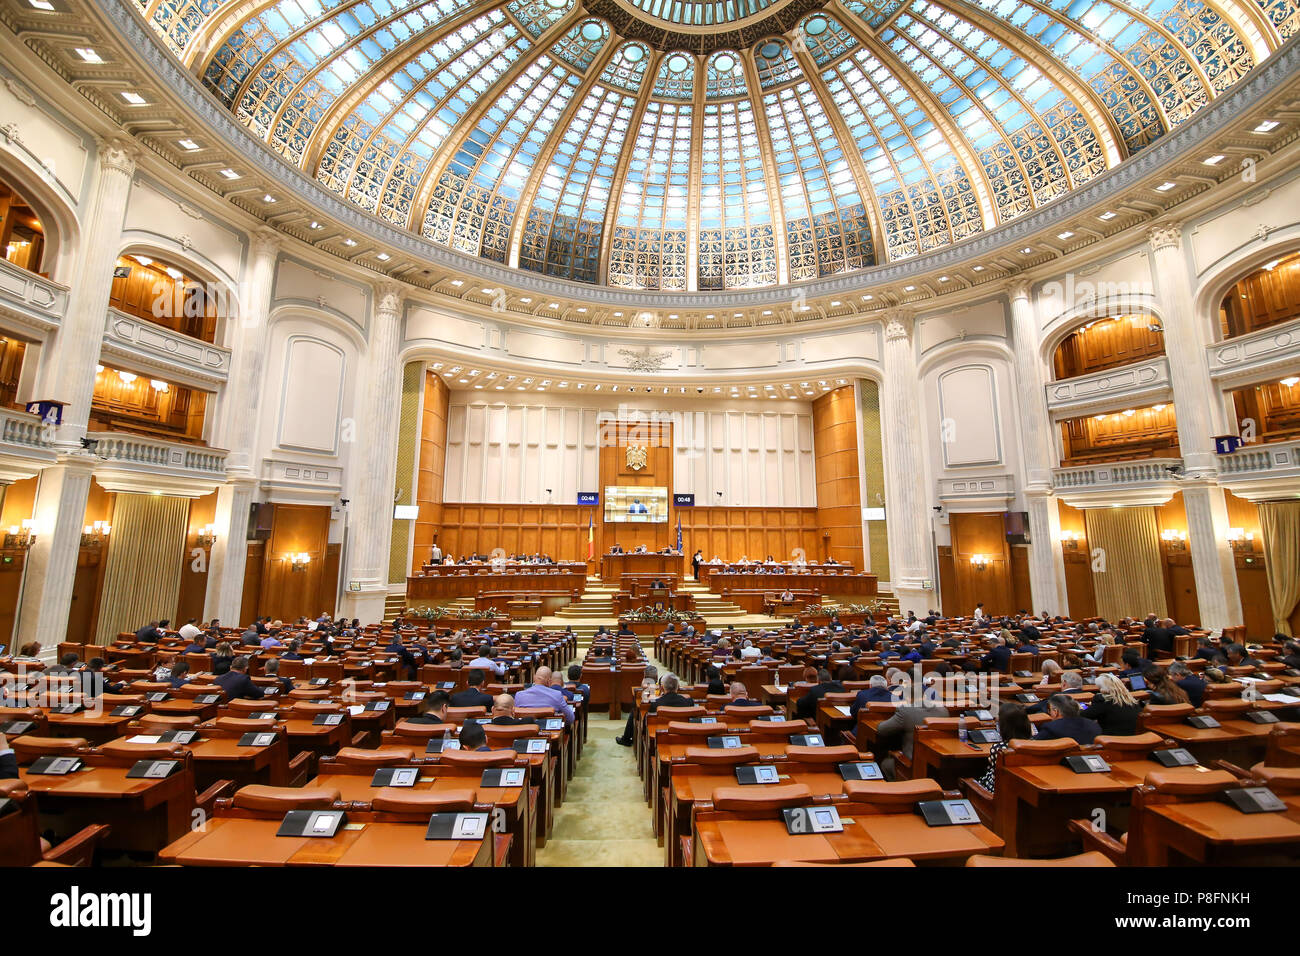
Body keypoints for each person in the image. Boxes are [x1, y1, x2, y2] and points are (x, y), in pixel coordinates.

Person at [876, 693, 949, 779]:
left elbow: (881, 730)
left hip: (911, 767)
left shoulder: (905, 710)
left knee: (885, 764)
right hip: (937, 768)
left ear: (907, 698)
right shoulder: (943, 711)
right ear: (925, 696)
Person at [976, 702, 1033, 794]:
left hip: (995, 792)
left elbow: (991, 769)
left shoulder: (999, 749)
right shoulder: (1035, 746)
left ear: (1004, 727)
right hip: (1024, 792)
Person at [1036, 694, 1101, 744]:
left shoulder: (1051, 728)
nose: (1049, 713)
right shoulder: (1094, 726)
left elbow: (1034, 743)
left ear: (1056, 712)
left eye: (1049, 710)